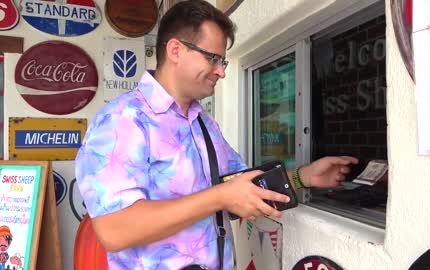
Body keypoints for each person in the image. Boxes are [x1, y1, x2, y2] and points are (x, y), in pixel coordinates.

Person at [75, 1, 358, 269]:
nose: (221, 72)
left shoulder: (204, 123)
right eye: (213, 58)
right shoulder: (122, 120)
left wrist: (304, 177)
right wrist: (219, 197)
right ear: (175, 51)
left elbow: (241, 187)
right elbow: (114, 230)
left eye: (223, 61)